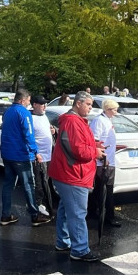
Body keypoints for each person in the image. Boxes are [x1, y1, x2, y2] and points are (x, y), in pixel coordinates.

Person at [48, 91, 105, 261]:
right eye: (88, 104)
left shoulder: (73, 120)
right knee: (77, 213)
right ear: (78, 103)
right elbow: (78, 150)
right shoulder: (73, 121)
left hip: (68, 173)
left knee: (67, 210)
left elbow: (77, 144)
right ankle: (79, 250)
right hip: (72, 175)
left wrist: (95, 145)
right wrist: (95, 151)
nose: (90, 108)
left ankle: (63, 242)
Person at [0, 89, 51, 226]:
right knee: (28, 185)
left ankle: (5, 215)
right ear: (22, 100)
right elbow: (28, 134)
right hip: (20, 155)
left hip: (7, 153)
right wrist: (36, 152)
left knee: (8, 185)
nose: (29, 103)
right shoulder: (24, 113)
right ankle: (34, 215)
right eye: (28, 100)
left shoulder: (8, 112)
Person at [89, 99, 121, 228]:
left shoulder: (107, 120)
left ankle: (93, 211)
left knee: (100, 189)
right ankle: (109, 217)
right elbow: (95, 140)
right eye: (114, 109)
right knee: (106, 190)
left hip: (108, 160)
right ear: (107, 109)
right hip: (103, 161)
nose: (116, 112)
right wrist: (102, 158)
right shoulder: (99, 121)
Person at [31, 95, 57, 218]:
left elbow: (47, 131)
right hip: (39, 156)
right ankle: (38, 207)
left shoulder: (44, 116)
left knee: (47, 181)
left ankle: (45, 206)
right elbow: (28, 137)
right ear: (34, 105)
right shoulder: (31, 118)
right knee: (40, 183)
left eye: (45, 104)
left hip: (48, 155)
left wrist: (53, 130)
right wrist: (36, 154)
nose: (45, 106)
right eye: (42, 104)